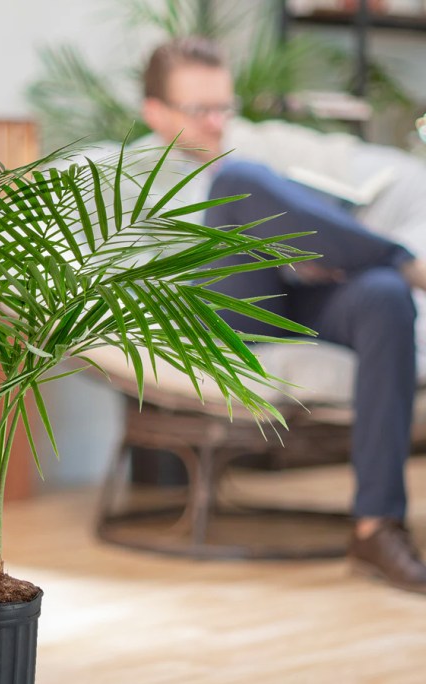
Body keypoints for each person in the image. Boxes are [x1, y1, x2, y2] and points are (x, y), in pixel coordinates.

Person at [134, 36, 426, 594]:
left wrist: (310, 247)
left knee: (386, 296)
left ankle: (376, 527)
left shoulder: (258, 144)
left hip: (295, 288)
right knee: (236, 181)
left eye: (225, 106)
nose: (218, 122)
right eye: (201, 110)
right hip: (222, 308)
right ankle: (402, 258)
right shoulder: (130, 173)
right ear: (156, 112)